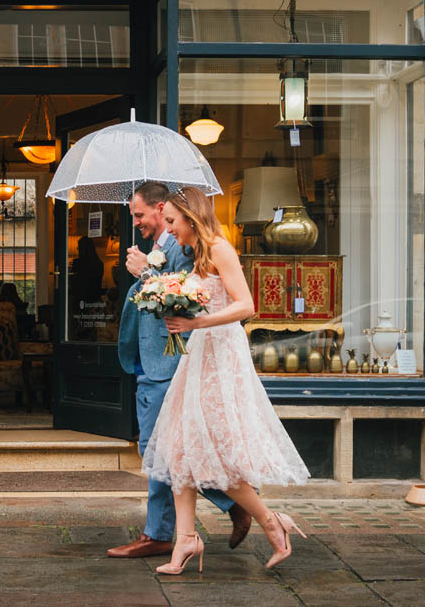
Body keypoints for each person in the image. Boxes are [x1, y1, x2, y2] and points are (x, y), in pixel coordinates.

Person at [143, 185, 310, 575]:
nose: (170, 230)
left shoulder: (219, 247)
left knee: (218, 452)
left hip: (222, 356)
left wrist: (195, 321)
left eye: (172, 222)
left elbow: (246, 305)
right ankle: (185, 540)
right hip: (200, 352)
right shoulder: (195, 254)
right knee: (179, 446)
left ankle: (272, 522)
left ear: (190, 217)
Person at [106, 181, 252, 560]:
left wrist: (145, 274)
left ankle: (160, 533)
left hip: (172, 360)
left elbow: (188, 299)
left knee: (161, 450)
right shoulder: (161, 244)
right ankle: (232, 506)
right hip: (150, 357)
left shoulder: (183, 244)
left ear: (161, 209)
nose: (137, 222)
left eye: (140, 214)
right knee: (159, 449)